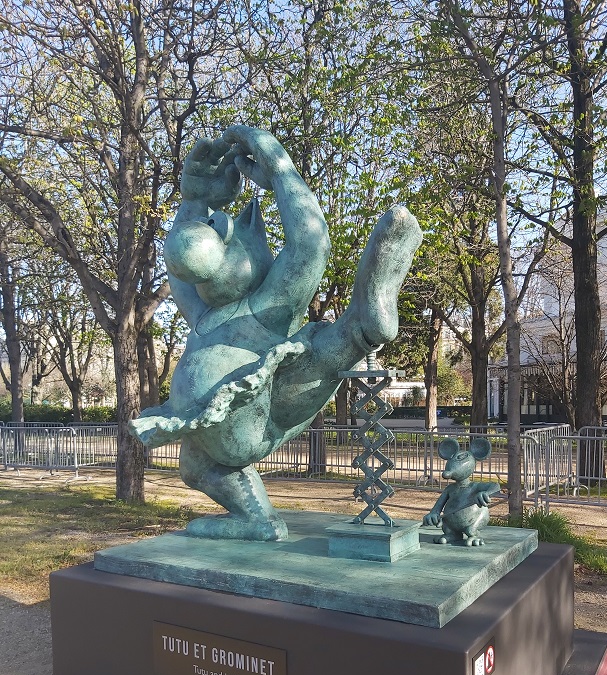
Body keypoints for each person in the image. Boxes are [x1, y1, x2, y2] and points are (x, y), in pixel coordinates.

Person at [130, 126, 422, 540]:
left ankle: (363, 324)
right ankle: (256, 519)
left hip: (266, 408)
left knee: (313, 353)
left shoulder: (268, 303)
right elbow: (180, 268)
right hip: (209, 432)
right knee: (194, 470)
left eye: (223, 236)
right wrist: (194, 198)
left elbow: (310, 245)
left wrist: (280, 166)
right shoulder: (204, 312)